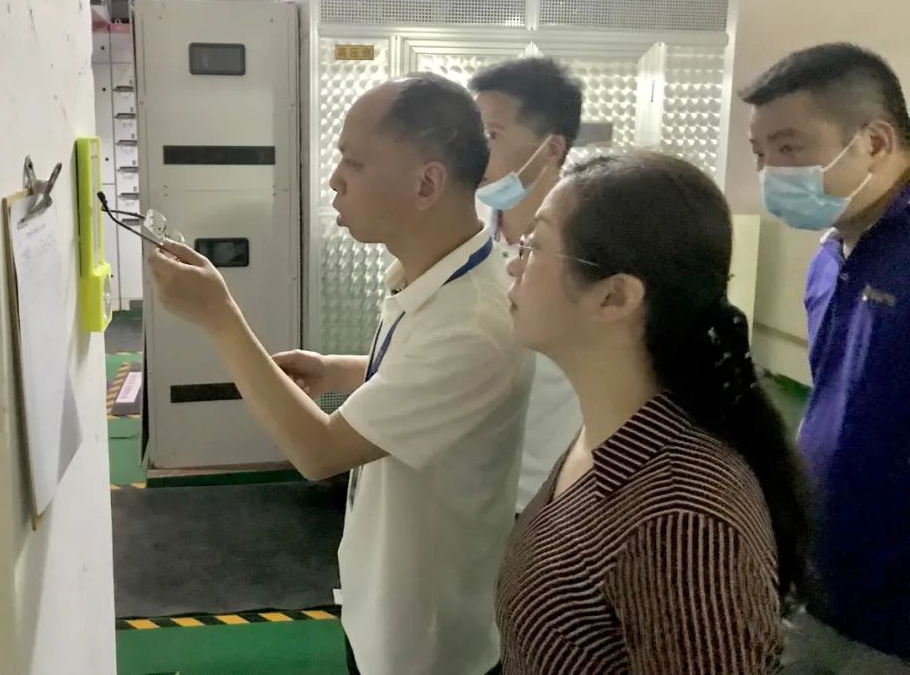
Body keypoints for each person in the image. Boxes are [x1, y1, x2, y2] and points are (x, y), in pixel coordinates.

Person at [148, 73, 533, 675]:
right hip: (378, 600)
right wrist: (335, 370)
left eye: (354, 162)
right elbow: (416, 376)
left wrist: (219, 317)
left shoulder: (475, 322)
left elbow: (319, 451)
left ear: (427, 183)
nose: (335, 179)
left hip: (425, 643)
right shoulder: (437, 277)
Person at [496, 151, 812, 674]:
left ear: (614, 296)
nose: (514, 262)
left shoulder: (684, 524)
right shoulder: (611, 438)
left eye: (535, 246)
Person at [743, 42, 910, 671]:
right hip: (823, 584)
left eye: (789, 148)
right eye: (761, 154)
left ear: (874, 141)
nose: (770, 172)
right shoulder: (831, 253)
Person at [470, 57, 583, 514]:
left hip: (559, 489)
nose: (473, 152)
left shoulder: (592, 247)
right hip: (474, 481)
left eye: (491, 136)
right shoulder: (464, 231)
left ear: (551, 148)